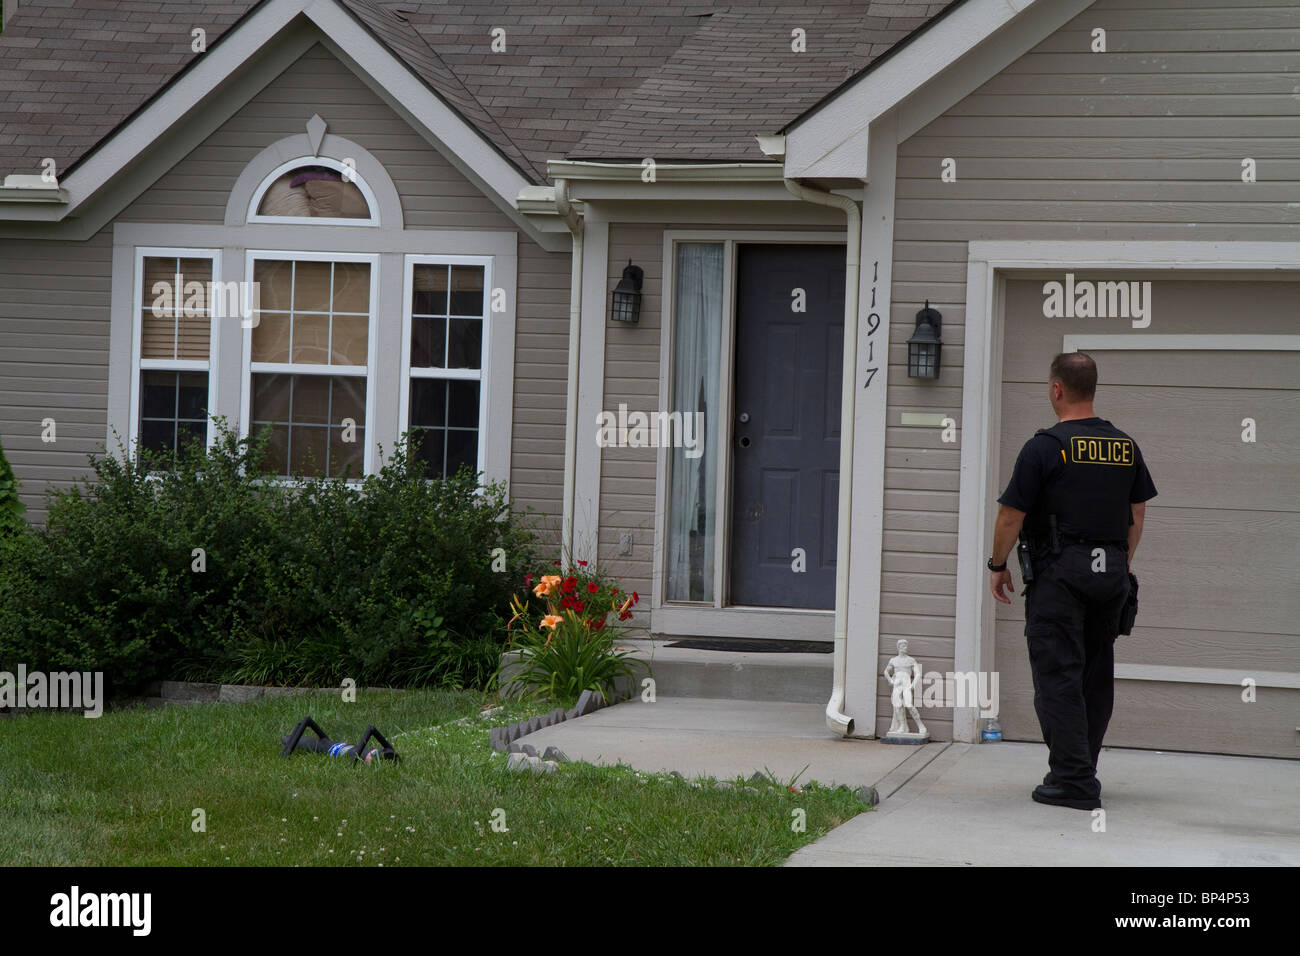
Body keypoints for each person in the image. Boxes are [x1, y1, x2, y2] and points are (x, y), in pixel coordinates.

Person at [987, 352, 1157, 810]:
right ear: (1093, 389)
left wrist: (996, 565)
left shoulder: (1045, 446)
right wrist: (1120, 560)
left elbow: (1010, 516)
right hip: (1111, 574)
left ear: (1056, 389)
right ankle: (1083, 767)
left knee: (1059, 675)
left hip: (1060, 575)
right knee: (1095, 676)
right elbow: (1137, 513)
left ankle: (1073, 781)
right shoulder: (1124, 445)